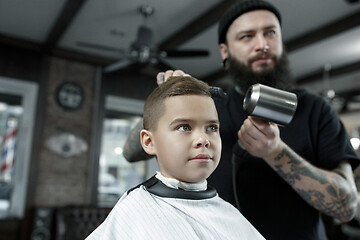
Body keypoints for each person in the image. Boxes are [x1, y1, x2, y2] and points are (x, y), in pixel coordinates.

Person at [123, 1, 360, 239]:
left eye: (270, 33)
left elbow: (347, 208)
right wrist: (168, 102)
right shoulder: (210, 109)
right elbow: (131, 152)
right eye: (247, 36)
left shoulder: (315, 110)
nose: (262, 45)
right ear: (225, 51)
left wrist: (275, 152)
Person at [86, 76, 265, 240]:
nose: (203, 139)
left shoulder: (229, 215)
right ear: (149, 141)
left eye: (211, 128)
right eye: (184, 127)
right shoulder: (133, 210)